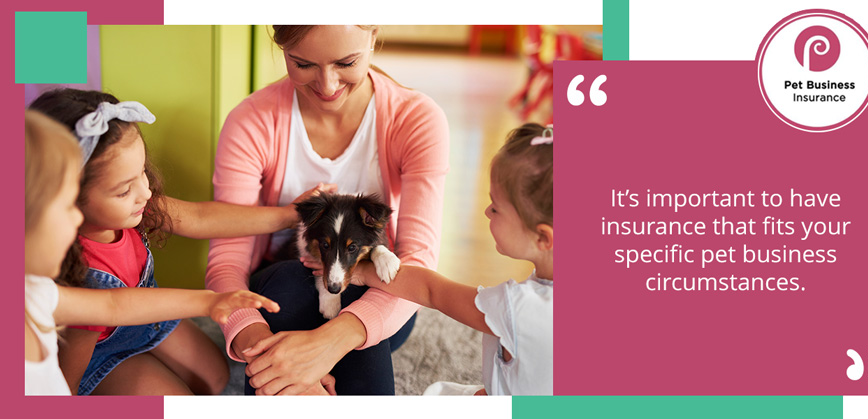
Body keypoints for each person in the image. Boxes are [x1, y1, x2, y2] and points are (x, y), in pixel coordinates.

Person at [207, 25, 450, 395]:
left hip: (382, 294)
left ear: (373, 35)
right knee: (292, 289)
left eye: (346, 62)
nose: (327, 85)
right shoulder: (251, 121)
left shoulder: (416, 119)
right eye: (302, 63)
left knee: (353, 288)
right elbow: (227, 263)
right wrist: (255, 341)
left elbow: (418, 260)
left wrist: (331, 342)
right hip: (281, 284)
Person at [28, 89, 309, 396]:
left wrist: (286, 215)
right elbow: (77, 358)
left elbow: (202, 218)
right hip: (100, 352)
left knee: (215, 378)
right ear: (70, 196)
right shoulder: (71, 270)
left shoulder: (137, 209)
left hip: (146, 315)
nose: (146, 193)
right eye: (123, 190)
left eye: (143, 174)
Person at [343, 123, 553, 395]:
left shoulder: (516, 307)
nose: (487, 212)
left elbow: (431, 291)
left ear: (543, 238)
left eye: (496, 207)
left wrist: (363, 272)